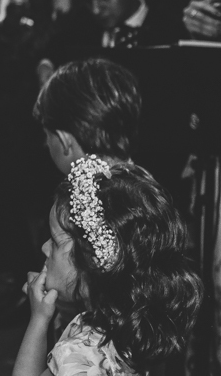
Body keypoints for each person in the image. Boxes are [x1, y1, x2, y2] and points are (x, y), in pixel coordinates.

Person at [13, 157, 201, 376]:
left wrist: (38, 320)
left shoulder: (76, 358)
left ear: (92, 262)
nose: (45, 248)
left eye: (55, 242)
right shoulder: (130, 326)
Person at [37, 0, 184, 85]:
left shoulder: (171, 28)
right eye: (88, 1)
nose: (95, 10)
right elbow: (56, 47)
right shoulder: (82, 23)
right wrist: (46, 65)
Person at [33, 59, 140, 175]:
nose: (46, 144)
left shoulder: (74, 193)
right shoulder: (148, 188)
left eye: (46, 135)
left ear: (64, 139)